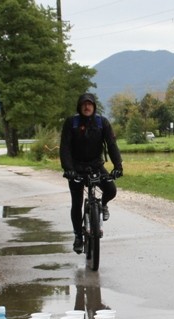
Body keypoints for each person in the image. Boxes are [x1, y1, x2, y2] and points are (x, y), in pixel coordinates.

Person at [60, 93, 123, 254]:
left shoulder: (102, 123)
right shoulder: (71, 123)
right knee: (77, 202)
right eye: (84, 105)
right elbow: (65, 147)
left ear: (94, 106)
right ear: (79, 107)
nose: (87, 107)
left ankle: (102, 205)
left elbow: (111, 144)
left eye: (90, 104)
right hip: (76, 168)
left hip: (96, 165)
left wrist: (118, 166)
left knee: (111, 190)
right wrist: (68, 169)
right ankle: (78, 237)